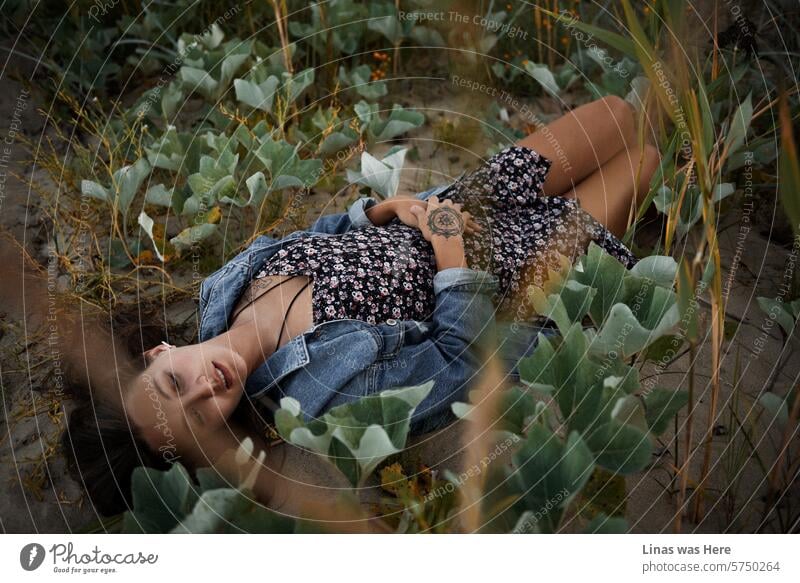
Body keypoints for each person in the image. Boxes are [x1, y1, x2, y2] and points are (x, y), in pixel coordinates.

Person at [62, 95, 660, 515]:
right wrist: (453, 253)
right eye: (197, 419)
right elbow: (460, 358)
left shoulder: (220, 289)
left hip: (448, 201)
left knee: (620, 114)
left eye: (172, 383)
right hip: (505, 264)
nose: (202, 389)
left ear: (158, 351)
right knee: (648, 161)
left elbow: (316, 236)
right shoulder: (317, 395)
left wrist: (381, 211)